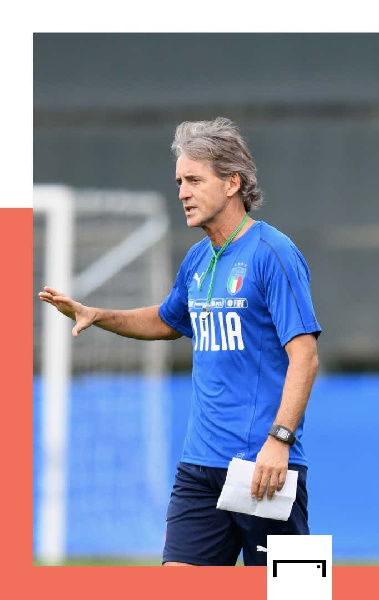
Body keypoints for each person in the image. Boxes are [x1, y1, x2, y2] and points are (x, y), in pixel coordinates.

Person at [38, 117, 321, 566]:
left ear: (232, 183)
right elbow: (169, 320)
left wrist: (279, 441)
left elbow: (305, 355)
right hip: (199, 467)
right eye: (179, 182)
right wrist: (97, 315)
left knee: (295, 590)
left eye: (193, 180)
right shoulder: (196, 260)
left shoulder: (273, 252)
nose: (182, 193)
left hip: (263, 466)